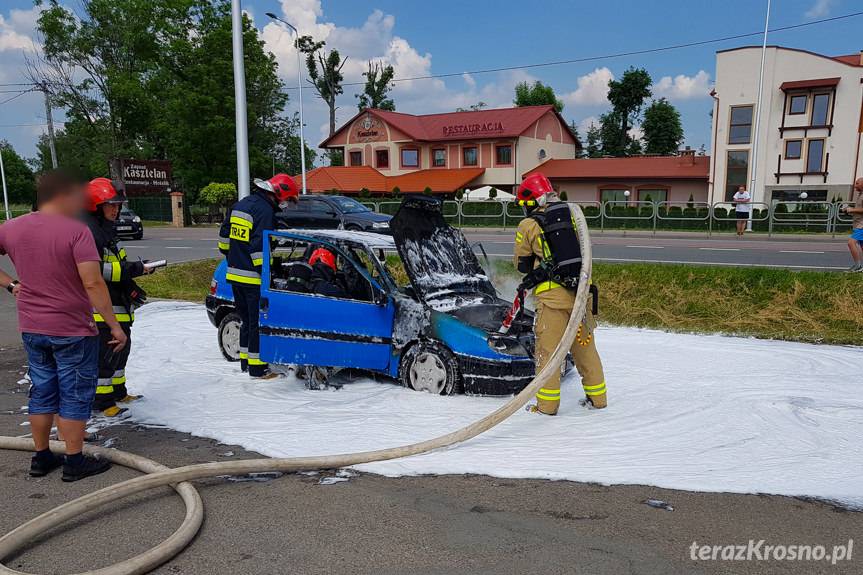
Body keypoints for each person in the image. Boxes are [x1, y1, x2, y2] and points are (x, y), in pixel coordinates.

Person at [0, 169, 127, 481]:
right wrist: (114, 325)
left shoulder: (11, 227)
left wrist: (11, 284)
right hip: (71, 328)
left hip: (32, 327)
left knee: (42, 391)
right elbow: (93, 283)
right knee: (74, 394)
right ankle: (73, 461)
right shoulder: (76, 231)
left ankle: (42, 457)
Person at [513, 173, 606, 415]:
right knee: (586, 350)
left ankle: (547, 407)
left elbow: (522, 265)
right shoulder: (574, 215)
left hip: (552, 299)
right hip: (581, 295)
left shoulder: (528, 224)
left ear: (531, 201)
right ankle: (598, 399)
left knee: (548, 353)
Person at [83, 178, 154, 417]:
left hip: (118, 302)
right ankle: (103, 403)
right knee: (106, 355)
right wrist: (136, 269)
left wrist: (133, 275)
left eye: (117, 205)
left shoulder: (105, 230)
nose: (116, 209)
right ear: (96, 206)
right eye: (110, 205)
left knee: (121, 352)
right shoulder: (89, 232)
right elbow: (98, 271)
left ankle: (118, 392)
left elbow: (116, 262)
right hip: (102, 308)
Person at [218, 174, 299, 378]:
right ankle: (258, 369)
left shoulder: (242, 204)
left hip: (234, 273)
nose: (286, 204)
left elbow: (224, 239)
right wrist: (268, 272)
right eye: (287, 199)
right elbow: (259, 248)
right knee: (257, 323)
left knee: (246, 321)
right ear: (278, 193)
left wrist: (234, 257)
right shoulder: (264, 211)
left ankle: (245, 363)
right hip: (252, 278)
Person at [841, 178, 863, 272]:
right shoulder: (860, 194)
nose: (855, 185)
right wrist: (849, 210)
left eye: (857, 183)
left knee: (851, 243)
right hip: (858, 223)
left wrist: (852, 210)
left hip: (861, 225)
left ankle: (858, 266)